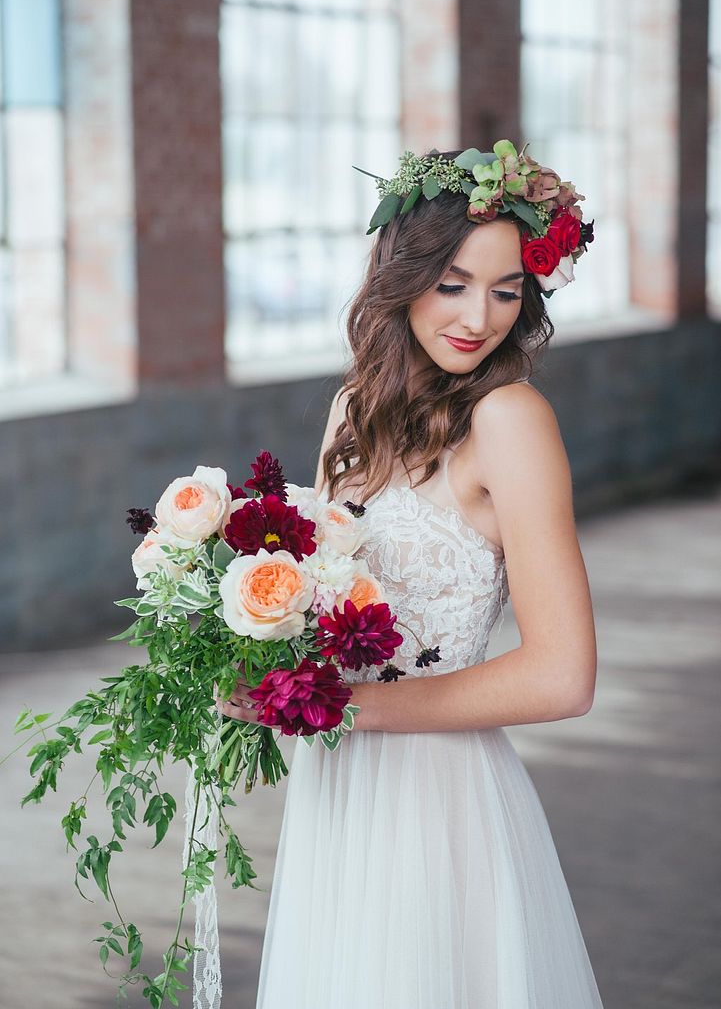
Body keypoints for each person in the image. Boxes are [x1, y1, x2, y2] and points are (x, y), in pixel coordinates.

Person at [218, 142, 605, 1007]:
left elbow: (562, 675)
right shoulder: (350, 411)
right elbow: (325, 596)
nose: (481, 316)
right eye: (455, 283)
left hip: (437, 798)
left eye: (508, 290)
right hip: (339, 789)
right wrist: (252, 657)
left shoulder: (510, 419)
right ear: (402, 275)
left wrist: (345, 709)